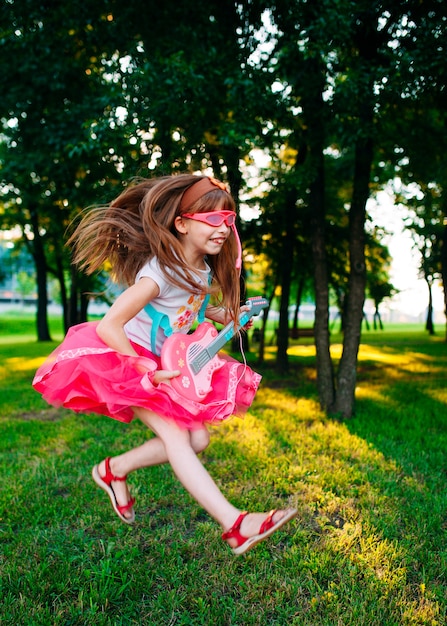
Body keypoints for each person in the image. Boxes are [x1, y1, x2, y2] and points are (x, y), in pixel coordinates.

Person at [33, 173, 297, 555]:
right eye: (212, 219)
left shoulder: (201, 270)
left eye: (229, 219)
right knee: (177, 437)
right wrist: (141, 367)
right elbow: (111, 325)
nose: (223, 227)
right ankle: (235, 524)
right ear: (182, 223)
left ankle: (113, 469)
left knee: (199, 439)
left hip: (168, 362)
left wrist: (228, 315)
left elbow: (190, 314)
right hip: (132, 359)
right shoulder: (159, 272)